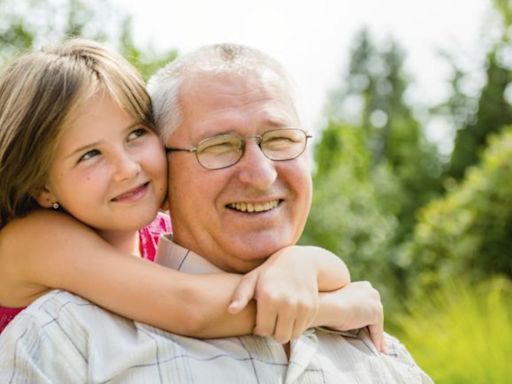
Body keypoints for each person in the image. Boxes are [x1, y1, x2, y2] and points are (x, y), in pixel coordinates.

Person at [0, 42, 431, 383]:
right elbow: (190, 305)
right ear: (42, 185)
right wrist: (329, 309)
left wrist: (301, 263)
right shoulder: (35, 248)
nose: (128, 168)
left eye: (136, 134)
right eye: (90, 154)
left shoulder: (155, 232)